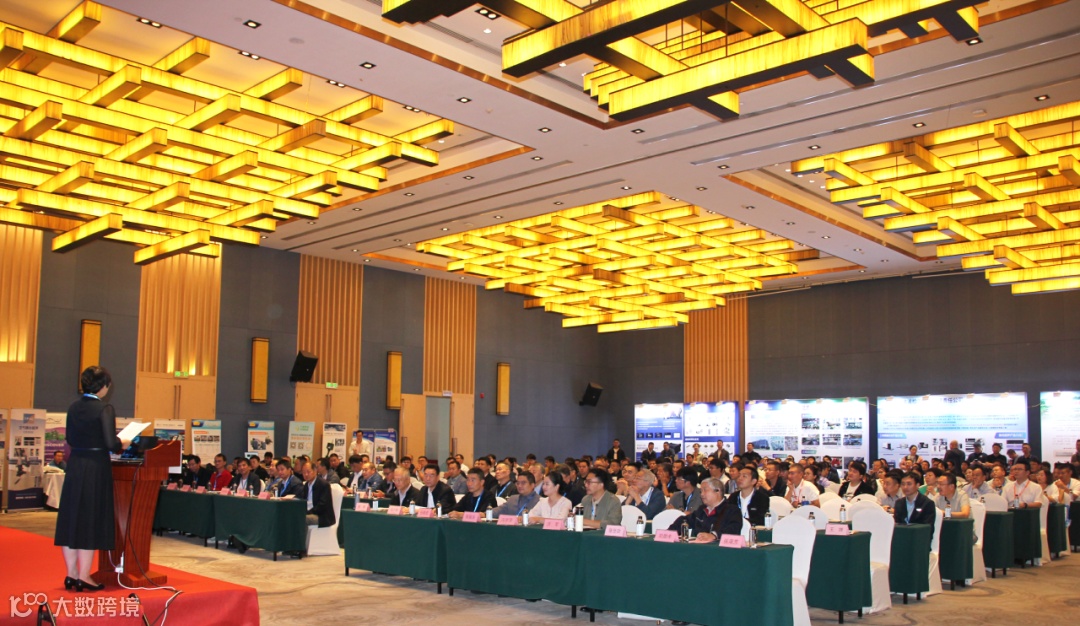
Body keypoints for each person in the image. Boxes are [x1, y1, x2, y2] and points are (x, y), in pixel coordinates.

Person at [54, 366, 130, 592]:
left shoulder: (73, 407)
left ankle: (71, 574)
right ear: (103, 386)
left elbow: (69, 438)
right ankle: (85, 576)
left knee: (72, 518)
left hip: (76, 464)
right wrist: (124, 442)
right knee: (89, 519)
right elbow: (111, 443)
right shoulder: (104, 408)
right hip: (95, 467)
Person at [669, 477, 743, 541]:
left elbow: (734, 529)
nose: (702, 494)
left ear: (717, 491)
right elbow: (685, 521)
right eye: (701, 491)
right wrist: (669, 532)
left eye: (705, 490)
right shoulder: (702, 510)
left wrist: (714, 535)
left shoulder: (732, 510)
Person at [300, 461, 335, 528]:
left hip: (321, 516)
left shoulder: (323, 484)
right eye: (303, 472)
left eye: (308, 472)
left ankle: (301, 535)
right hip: (308, 512)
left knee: (301, 518)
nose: (306, 474)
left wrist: (308, 512)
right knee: (294, 516)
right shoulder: (306, 485)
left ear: (315, 471)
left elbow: (322, 505)